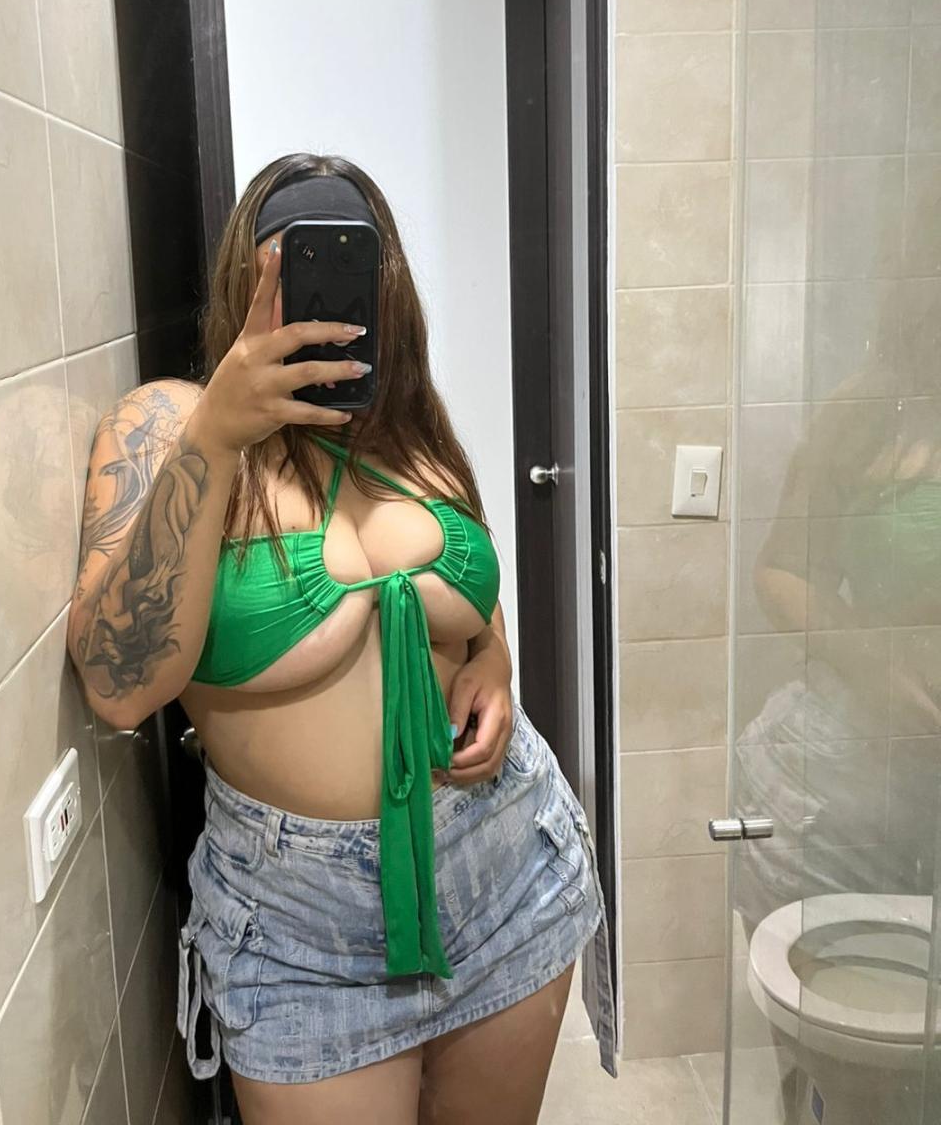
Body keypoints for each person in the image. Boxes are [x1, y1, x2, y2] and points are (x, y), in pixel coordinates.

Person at [66, 153, 615, 1124]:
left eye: (354, 265)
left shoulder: (409, 431)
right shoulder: (166, 427)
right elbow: (118, 683)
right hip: (301, 935)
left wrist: (495, 661)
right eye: (287, 268)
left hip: (505, 865)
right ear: (245, 282)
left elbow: (472, 598)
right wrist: (218, 435)